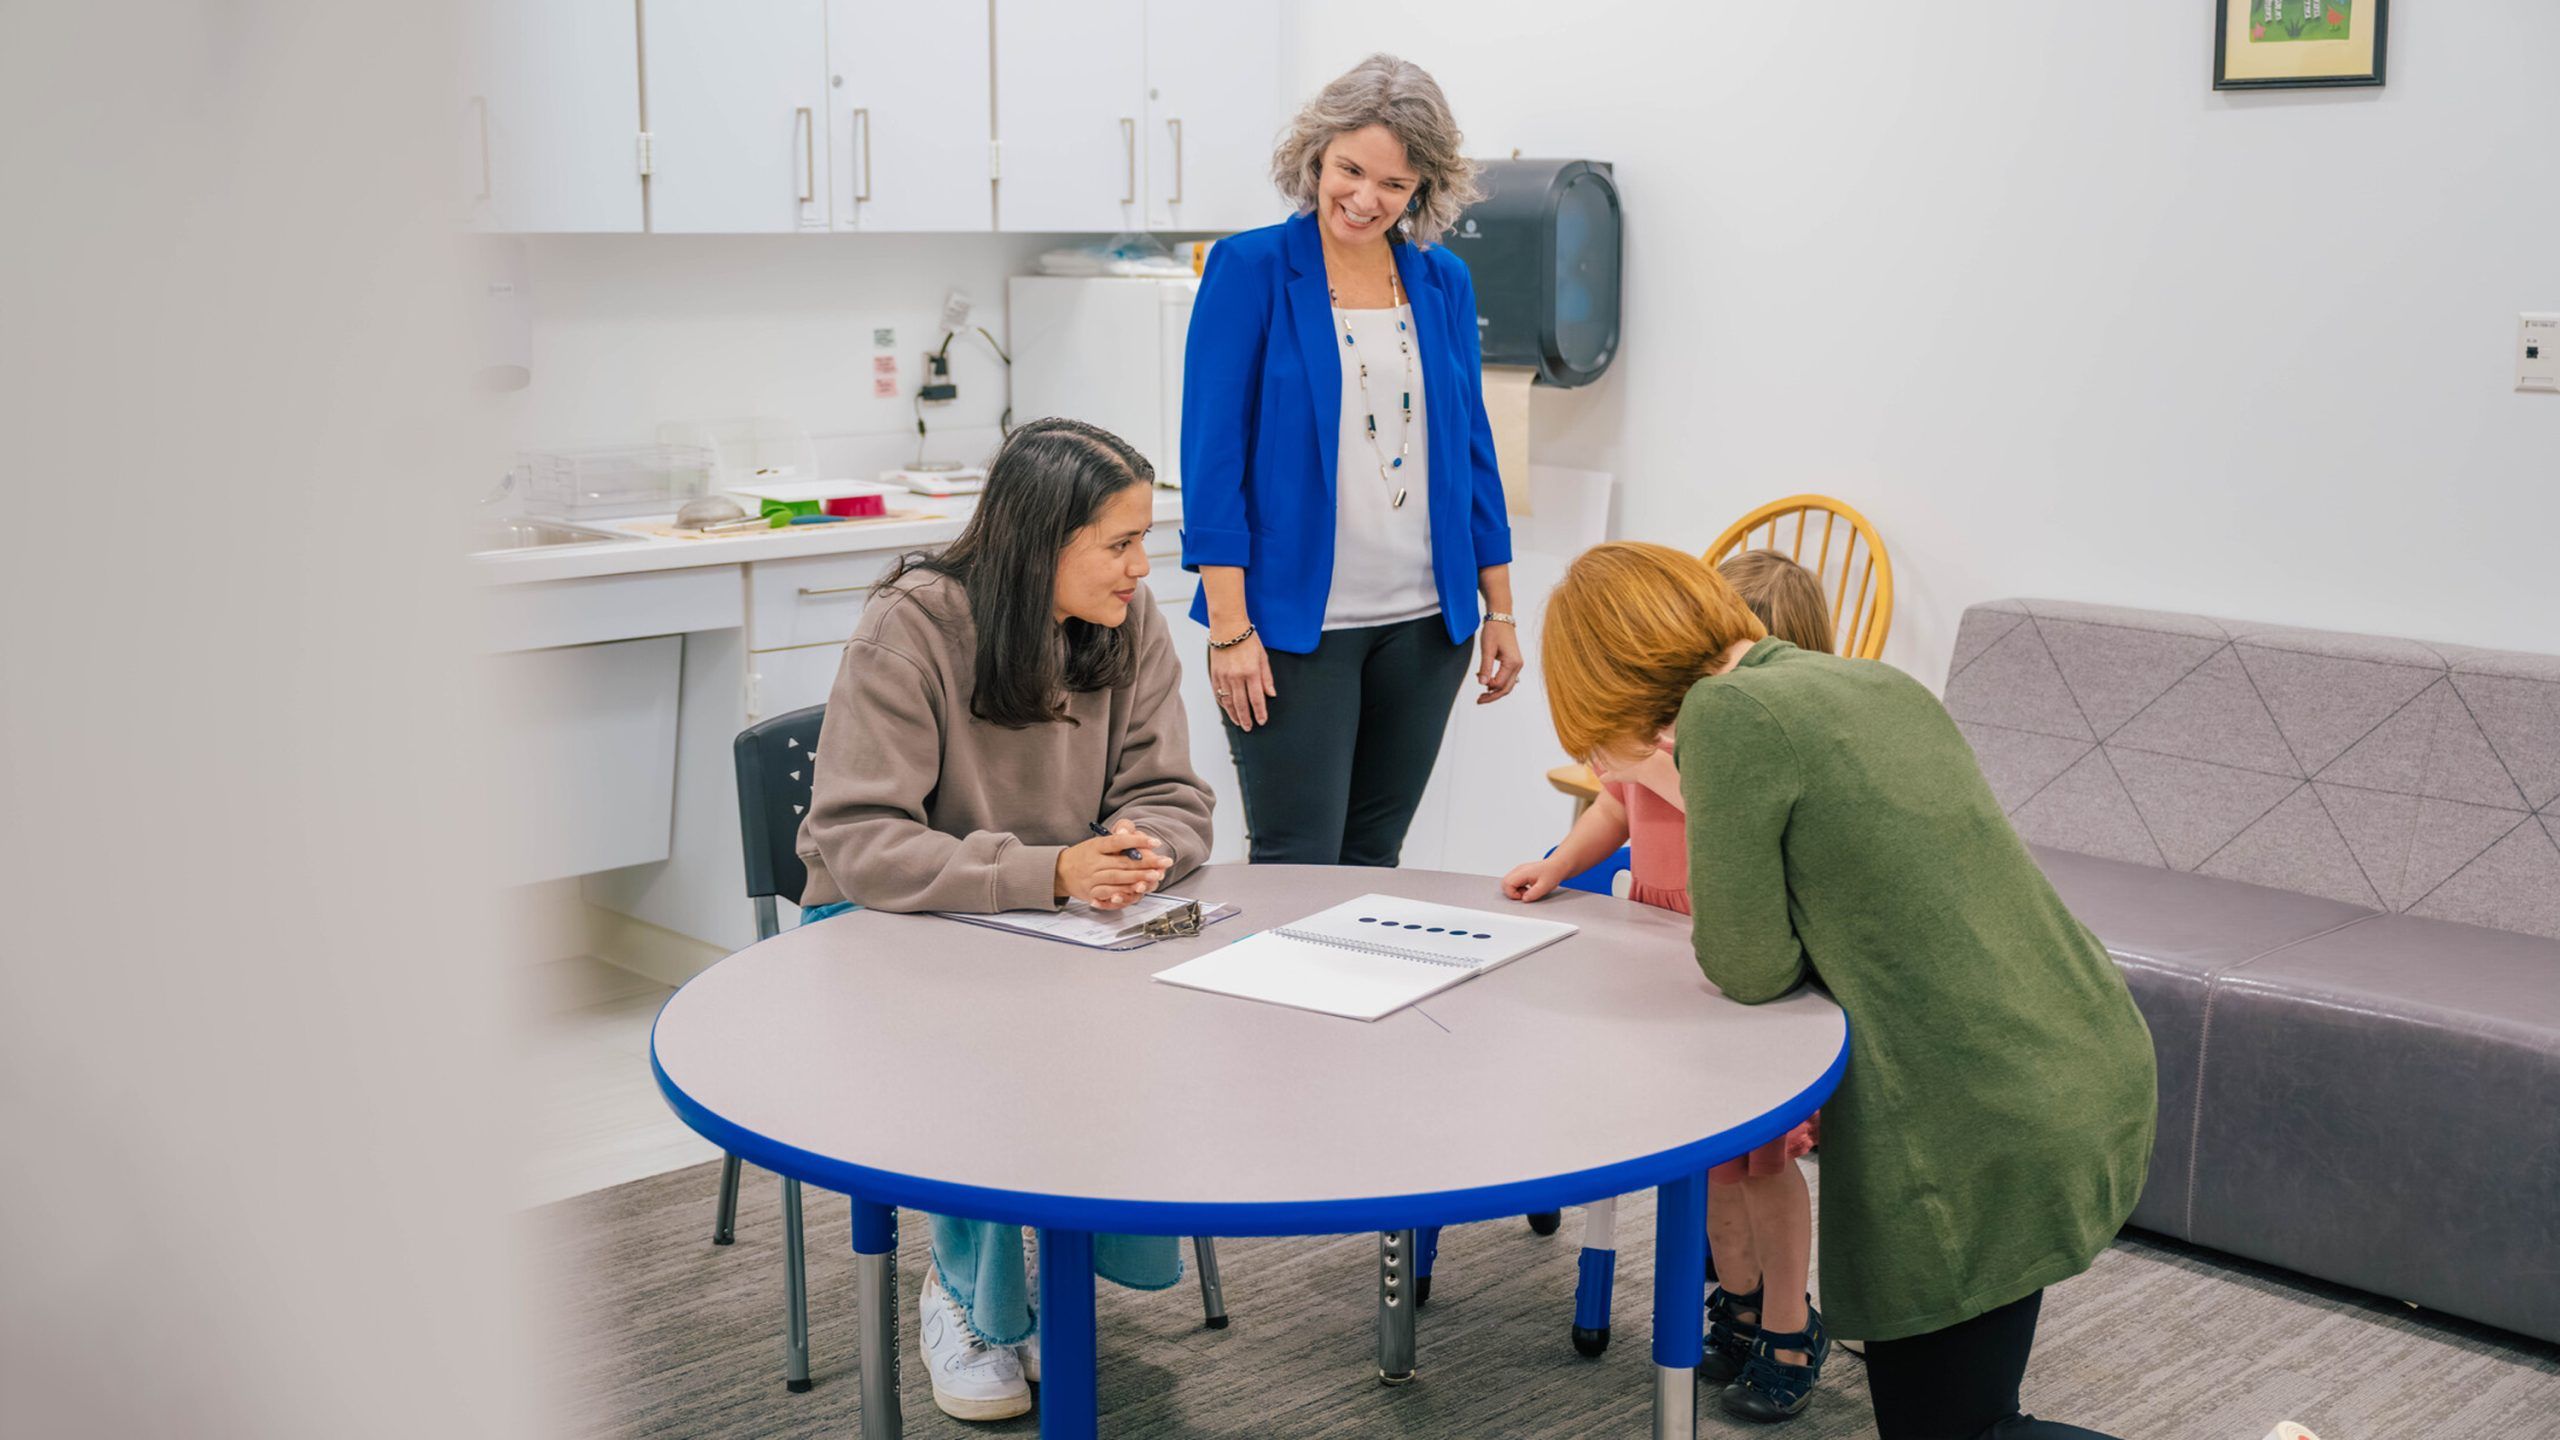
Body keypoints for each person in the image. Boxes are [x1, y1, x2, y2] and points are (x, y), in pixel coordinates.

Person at [1536, 542, 2155, 1440]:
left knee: (1952, 1431)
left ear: (1625, 686)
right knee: (1976, 1410)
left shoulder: (1726, 719)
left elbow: (1747, 966)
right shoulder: (1869, 684)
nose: (1604, 764)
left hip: (1979, 1113)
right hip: (2077, 1054)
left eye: (1601, 740)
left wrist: (1682, 779)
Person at [793, 418, 1214, 1423]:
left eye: (1143, 540)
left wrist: (1135, 852)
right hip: (895, 916)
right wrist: (1049, 872)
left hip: (1060, 911)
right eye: (1117, 544)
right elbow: (860, 841)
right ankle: (972, 1302)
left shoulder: (1130, 618)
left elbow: (1173, 795)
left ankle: (1043, 1277)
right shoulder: (915, 623)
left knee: (1166, 1017)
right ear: (1040, 543)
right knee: (984, 1046)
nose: (1138, 568)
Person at [1502, 550, 1836, 1421]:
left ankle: (1788, 1322)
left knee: (1760, 1168)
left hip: (1739, 970)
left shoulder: (1735, 751)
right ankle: (1737, 1301)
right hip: (1664, 968)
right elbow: (1611, 803)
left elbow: (1732, 827)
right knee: (1710, 1174)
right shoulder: (1654, 734)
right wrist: (1558, 863)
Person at [1180, 53, 1522, 867]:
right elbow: (1211, 456)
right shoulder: (1251, 268)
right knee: (1297, 859)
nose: (1366, 199)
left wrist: (1499, 607)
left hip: (1424, 626)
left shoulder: (1442, 281)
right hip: (1294, 628)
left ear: (1423, 191)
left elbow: (1471, 448)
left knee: (1374, 858)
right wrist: (1231, 630)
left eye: (1395, 185)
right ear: (1316, 156)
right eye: (1350, 170)